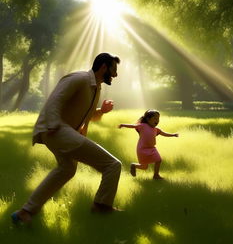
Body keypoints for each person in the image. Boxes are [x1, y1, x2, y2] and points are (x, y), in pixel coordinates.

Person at [11, 53, 122, 224]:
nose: (115, 75)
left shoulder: (95, 88)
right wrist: (54, 123)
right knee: (112, 165)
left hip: (63, 132)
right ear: (104, 67)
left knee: (67, 169)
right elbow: (55, 100)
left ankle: (24, 212)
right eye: (113, 70)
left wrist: (102, 111)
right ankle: (101, 206)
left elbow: (87, 115)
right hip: (56, 129)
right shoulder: (80, 78)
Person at [118, 109, 178, 180]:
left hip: (152, 149)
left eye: (158, 119)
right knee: (144, 167)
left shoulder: (156, 129)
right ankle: (134, 165)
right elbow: (133, 126)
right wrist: (123, 125)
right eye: (155, 118)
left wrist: (173, 135)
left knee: (158, 160)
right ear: (148, 119)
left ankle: (156, 175)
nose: (157, 120)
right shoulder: (143, 126)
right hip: (142, 149)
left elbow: (164, 134)